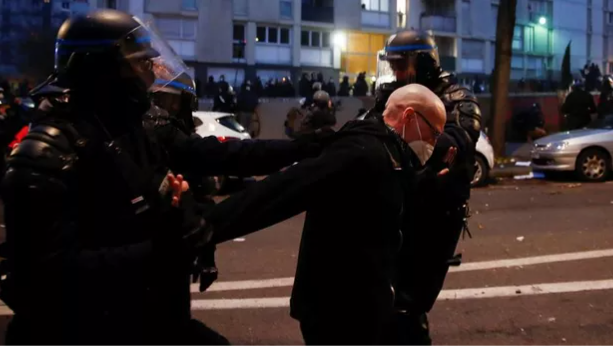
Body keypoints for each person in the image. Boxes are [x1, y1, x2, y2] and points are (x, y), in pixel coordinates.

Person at [1, 10, 322, 345]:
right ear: (102, 70)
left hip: (149, 317)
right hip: (87, 330)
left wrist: (302, 149)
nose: (150, 74)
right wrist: (164, 250)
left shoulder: (135, 128)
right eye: (140, 64)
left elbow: (222, 154)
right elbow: (46, 274)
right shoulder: (47, 155)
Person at [205, 84, 449, 345]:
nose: (434, 143)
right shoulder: (362, 151)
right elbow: (285, 191)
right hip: (338, 313)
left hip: (360, 307)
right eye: (433, 133)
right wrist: (208, 226)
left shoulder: (388, 152)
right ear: (409, 117)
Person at [373, 29, 482, 345]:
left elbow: (453, 143)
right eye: (392, 64)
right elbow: (366, 132)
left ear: (421, 62)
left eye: (401, 64)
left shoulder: (457, 100)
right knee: (382, 299)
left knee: (409, 305)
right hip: (394, 210)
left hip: (434, 216)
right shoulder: (390, 96)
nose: (395, 72)